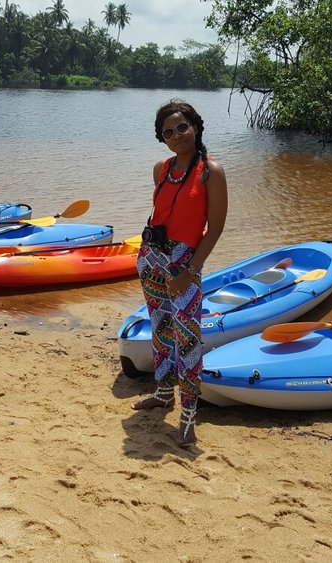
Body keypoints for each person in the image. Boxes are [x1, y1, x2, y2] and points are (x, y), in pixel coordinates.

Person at [132, 100, 228, 448]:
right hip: (151, 259)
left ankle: (188, 413)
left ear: (196, 127)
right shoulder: (161, 168)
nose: (176, 135)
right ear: (162, 139)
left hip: (184, 263)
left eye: (182, 127)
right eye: (168, 132)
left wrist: (189, 271)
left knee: (187, 340)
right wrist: (146, 257)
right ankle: (163, 392)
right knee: (159, 330)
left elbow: (214, 229)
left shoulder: (210, 172)